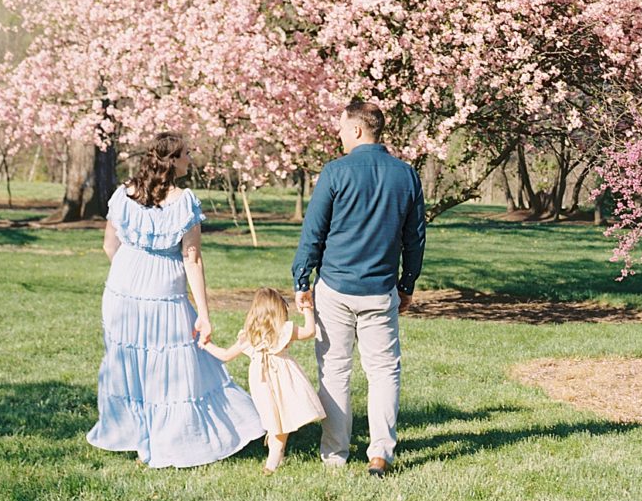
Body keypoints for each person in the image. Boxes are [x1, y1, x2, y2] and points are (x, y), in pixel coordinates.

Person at [86, 132, 264, 468]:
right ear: (172, 161)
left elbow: (109, 245)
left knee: (130, 361)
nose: (190, 160)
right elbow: (192, 258)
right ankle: (169, 439)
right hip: (161, 291)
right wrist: (204, 314)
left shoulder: (123, 194)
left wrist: (130, 274)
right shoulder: (183, 201)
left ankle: (135, 434)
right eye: (186, 154)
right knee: (167, 366)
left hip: (122, 287)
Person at [292, 100, 426, 476]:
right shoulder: (406, 175)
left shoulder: (335, 172)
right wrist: (407, 283)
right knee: (384, 371)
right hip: (380, 288)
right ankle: (381, 452)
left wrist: (302, 277)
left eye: (340, 126)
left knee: (334, 370)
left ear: (356, 129)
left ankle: (335, 453)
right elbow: (414, 238)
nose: (338, 133)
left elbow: (313, 231)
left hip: (335, 286)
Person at [201, 287, 325, 474]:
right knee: (281, 416)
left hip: (262, 384)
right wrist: (307, 308)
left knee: (275, 417)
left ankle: (275, 455)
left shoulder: (250, 335)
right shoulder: (283, 330)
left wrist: (206, 344)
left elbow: (225, 355)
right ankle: (276, 454)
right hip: (284, 379)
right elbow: (309, 331)